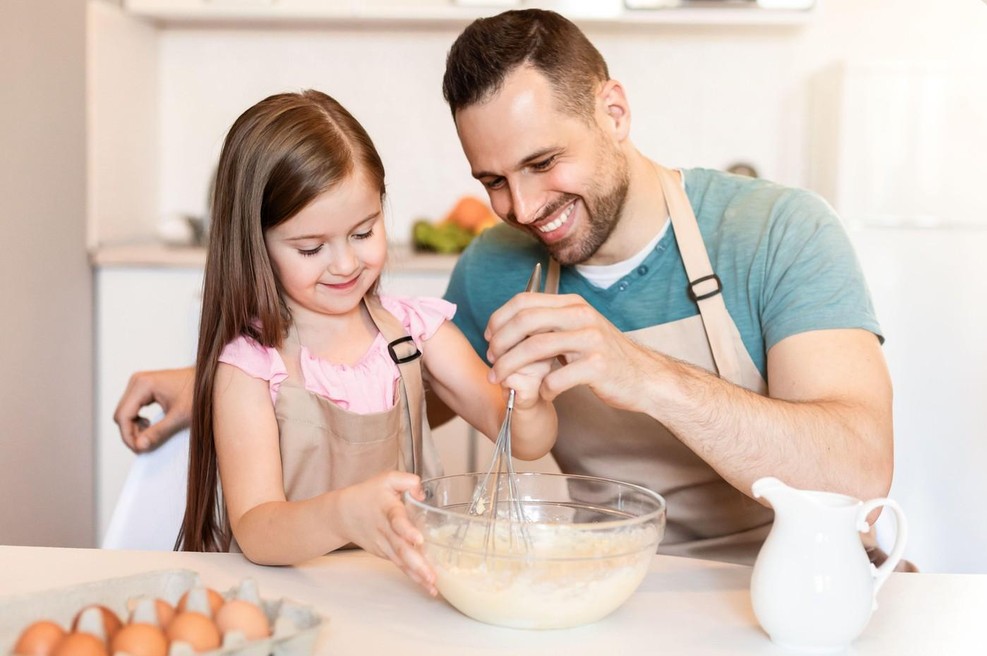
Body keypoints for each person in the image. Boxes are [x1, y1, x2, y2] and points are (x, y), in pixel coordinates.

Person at [115, 10, 892, 565]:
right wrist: (218, 383)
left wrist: (642, 375)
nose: (522, 209)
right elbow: (397, 378)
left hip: (788, 588)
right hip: (608, 584)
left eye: (544, 163)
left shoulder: (778, 231)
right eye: (493, 179)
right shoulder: (495, 263)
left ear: (613, 111)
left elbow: (859, 471)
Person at [168, 89, 556, 594]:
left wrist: (527, 397)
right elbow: (257, 530)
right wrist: (344, 515)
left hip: (405, 594)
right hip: (290, 603)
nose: (346, 264)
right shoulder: (252, 367)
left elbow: (528, 441)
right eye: (311, 248)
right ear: (254, 243)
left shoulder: (415, 332)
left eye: (363, 232)